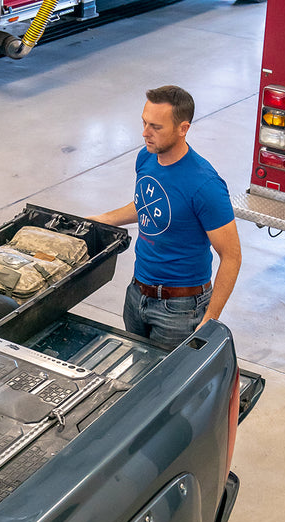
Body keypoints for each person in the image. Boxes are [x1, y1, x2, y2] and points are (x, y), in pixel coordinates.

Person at [91, 85, 241, 350]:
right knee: (138, 374)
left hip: (180, 310)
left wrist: (211, 317)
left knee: (166, 385)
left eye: (156, 127)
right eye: (144, 122)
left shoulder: (205, 185)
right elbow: (147, 205)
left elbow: (231, 255)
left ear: (183, 129)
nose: (145, 133)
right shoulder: (147, 158)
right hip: (137, 294)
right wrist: (103, 219)